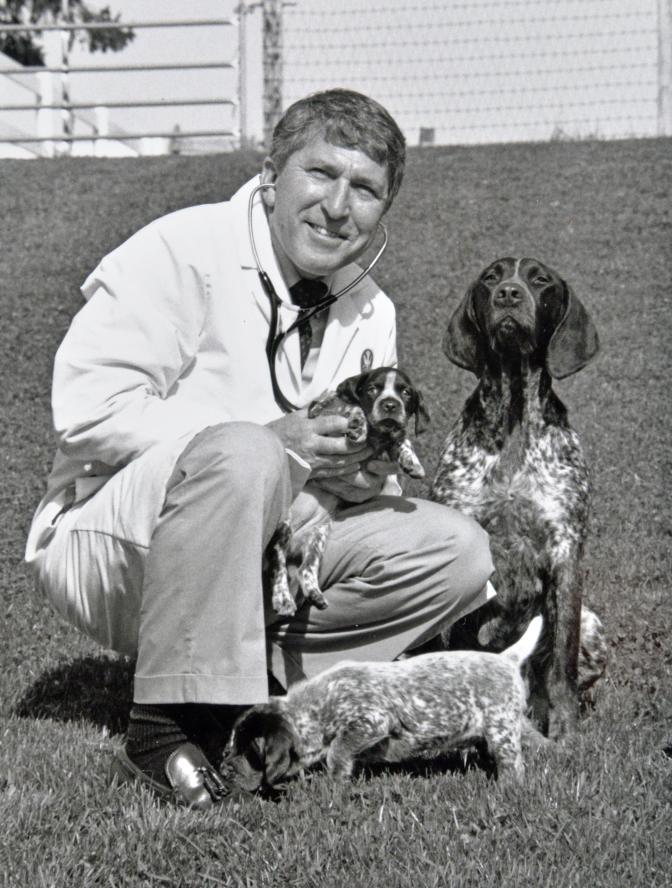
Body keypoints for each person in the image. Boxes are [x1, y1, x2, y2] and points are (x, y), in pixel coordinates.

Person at [25, 89, 495, 808]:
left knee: (459, 552)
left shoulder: (374, 309)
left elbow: (367, 471)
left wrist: (350, 482)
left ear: (383, 212)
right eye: (320, 174)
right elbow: (90, 414)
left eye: (364, 189)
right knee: (245, 452)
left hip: (269, 547)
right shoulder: (180, 248)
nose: (338, 207)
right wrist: (271, 443)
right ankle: (161, 728)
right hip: (112, 540)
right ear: (273, 174)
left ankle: (262, 700)